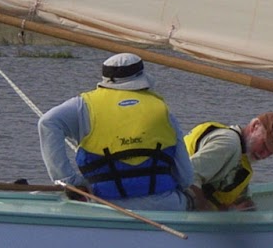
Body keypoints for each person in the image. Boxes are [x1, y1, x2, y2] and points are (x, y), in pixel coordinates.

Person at [37, 53, 195, 211]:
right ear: (142, 77)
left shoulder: (83, 106)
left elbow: (48, 122)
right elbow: (186, 177)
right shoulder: (162, 109)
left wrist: (68, 181)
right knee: (192, 198)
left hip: (104, 206)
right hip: (163, 205)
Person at [183, 111, 273, 210]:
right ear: (255, 126)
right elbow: (189, 175)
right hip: (178, 200)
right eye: (265, 145)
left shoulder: (243, 157)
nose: (264, 155)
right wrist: (208, 211)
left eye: (271, 152)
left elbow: (239, 198)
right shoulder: (229, 144)